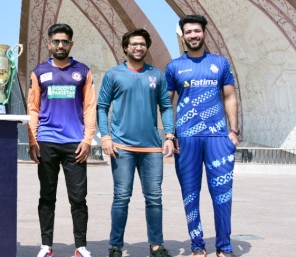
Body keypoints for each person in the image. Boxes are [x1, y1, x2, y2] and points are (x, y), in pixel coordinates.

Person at [165, 15, 239, 257]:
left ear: (204, 33)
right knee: (190, 194)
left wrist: (233, 131)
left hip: (218, 138)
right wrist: (169, 134)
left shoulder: (220, 63)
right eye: (188, 32)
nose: (193, 35)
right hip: (186, 139)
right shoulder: (174, 67)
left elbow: (229, 96)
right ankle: (197, 246)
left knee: (222, 195)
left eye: (197, 31)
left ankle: (224, 247)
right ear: (183, 36)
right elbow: (167, 103)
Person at [97, 29, 175, 257]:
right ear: (125, 47)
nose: (138, 47)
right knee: (121, 197)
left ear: (147, 47)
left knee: (154, 198)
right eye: (133, 44)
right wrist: (105, 136)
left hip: (151, 148)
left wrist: (169, 135)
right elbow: (102, 106)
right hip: (122, 147)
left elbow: (166, 107)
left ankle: (157, 246)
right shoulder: (113, 75)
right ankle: (115, 246)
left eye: (142, 44)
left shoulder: (157, 75)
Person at [27, 23, 96, 257]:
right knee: (47, 196)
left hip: (75, 144)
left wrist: (87, 140)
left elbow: (89, 107)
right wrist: (32, 141)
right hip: (46, 141)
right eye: (56, 41)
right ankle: (46, 245)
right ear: (48, 43)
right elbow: (33, 108)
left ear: (71, 44)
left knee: (78, 198)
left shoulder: (83, 71)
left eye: (64, 41)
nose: (60, 45)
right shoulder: (38, 73)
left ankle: (80, 247)